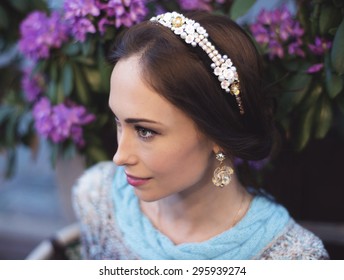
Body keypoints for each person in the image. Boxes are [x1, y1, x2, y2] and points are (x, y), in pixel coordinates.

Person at [72, 11, 328, 260]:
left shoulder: (292, 258)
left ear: (218, 130)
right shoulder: (98, 199)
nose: (120, 156)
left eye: (145, 131)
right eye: (119, 122)